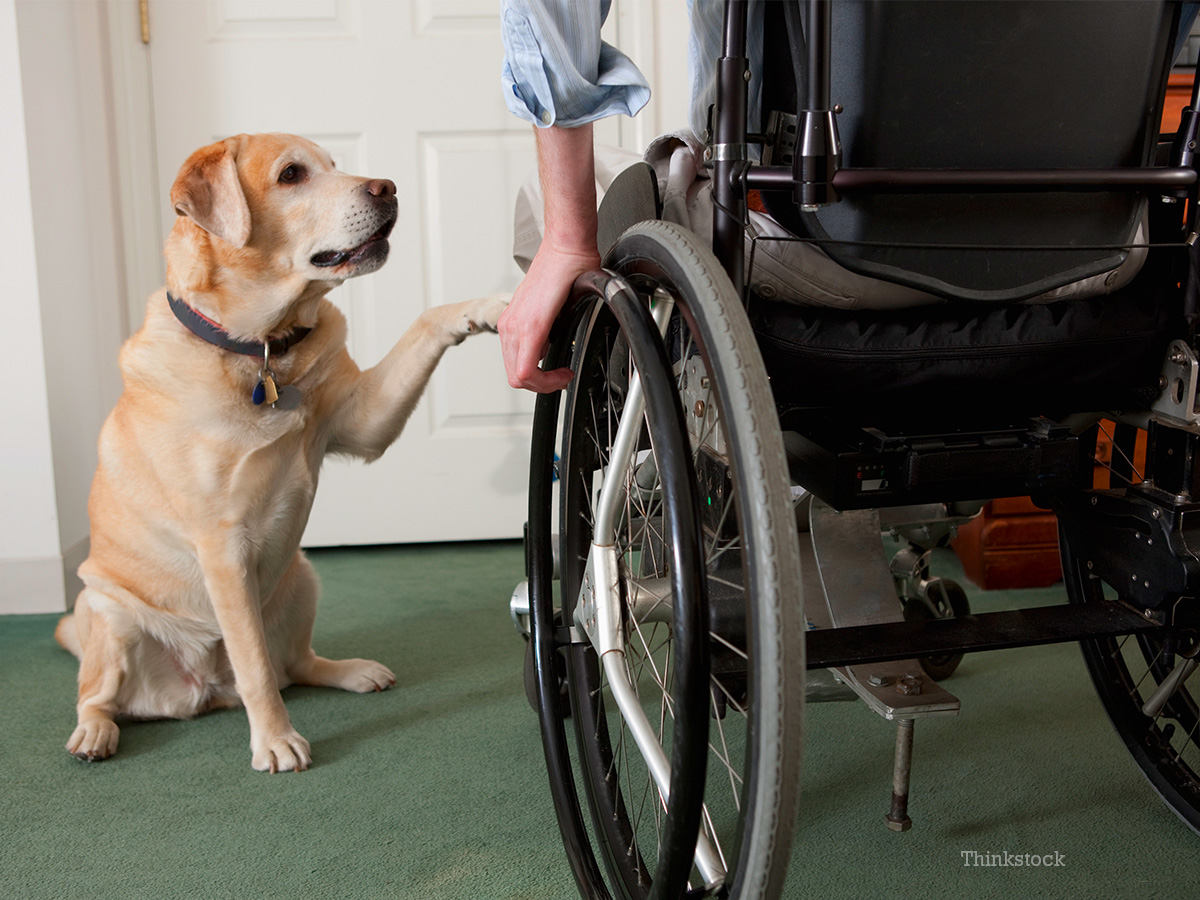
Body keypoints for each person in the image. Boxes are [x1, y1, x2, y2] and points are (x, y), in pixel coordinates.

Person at [497, 0, 1200, 394]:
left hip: (813, 249)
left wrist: (567, 238)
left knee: (555, 197)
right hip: (1092, 249)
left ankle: (625, 496)